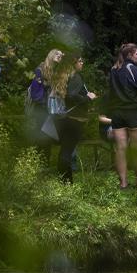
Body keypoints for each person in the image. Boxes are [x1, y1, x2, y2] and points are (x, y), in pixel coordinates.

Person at [100, 43, 137, 189]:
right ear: (130, 55)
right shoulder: (135, 70)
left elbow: (111, 94)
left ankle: (123, 183)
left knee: (121, 149)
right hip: (134, 113)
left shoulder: (114, 71)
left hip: (118, 114)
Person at [52, 54, 96, 183]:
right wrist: (88, 97)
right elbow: (72, 95)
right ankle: (66, 182)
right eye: (80, 61)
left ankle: (63, 180)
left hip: (63, 118)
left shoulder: (63, 77)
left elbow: (67, 95)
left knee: (64, 151)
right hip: (74, 119)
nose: (82, 63)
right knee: (67, 152)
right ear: (73, 63)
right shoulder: (75, 77)